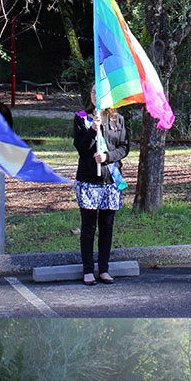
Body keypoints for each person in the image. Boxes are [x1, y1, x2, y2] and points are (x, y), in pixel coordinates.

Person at [73, 86, 129, 286]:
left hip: (110, 180)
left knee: (107, 226)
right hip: (88, 180)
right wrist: (92, 130)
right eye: (93, 92)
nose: (97, 96)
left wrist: (107, 156)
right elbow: (80, 147)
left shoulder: (118, 120)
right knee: (88, 227)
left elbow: (124, 148)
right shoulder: (82, 118)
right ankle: (88, 269)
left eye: (101, 92)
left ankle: (104, 269)